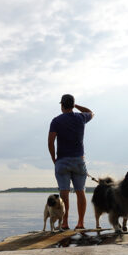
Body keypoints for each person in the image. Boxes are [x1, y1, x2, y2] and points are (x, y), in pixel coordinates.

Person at [48, 94, 94, 230]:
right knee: (80, 192)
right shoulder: (81, 118)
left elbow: (50, 142)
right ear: (72, 105)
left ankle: (65, 223)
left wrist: (53, 159)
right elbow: (91, 112)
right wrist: (76, 106)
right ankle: (80, 223)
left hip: (62, 161)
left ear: (62, 105)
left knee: (64, 193)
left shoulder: (56, 121)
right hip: (79, 160)